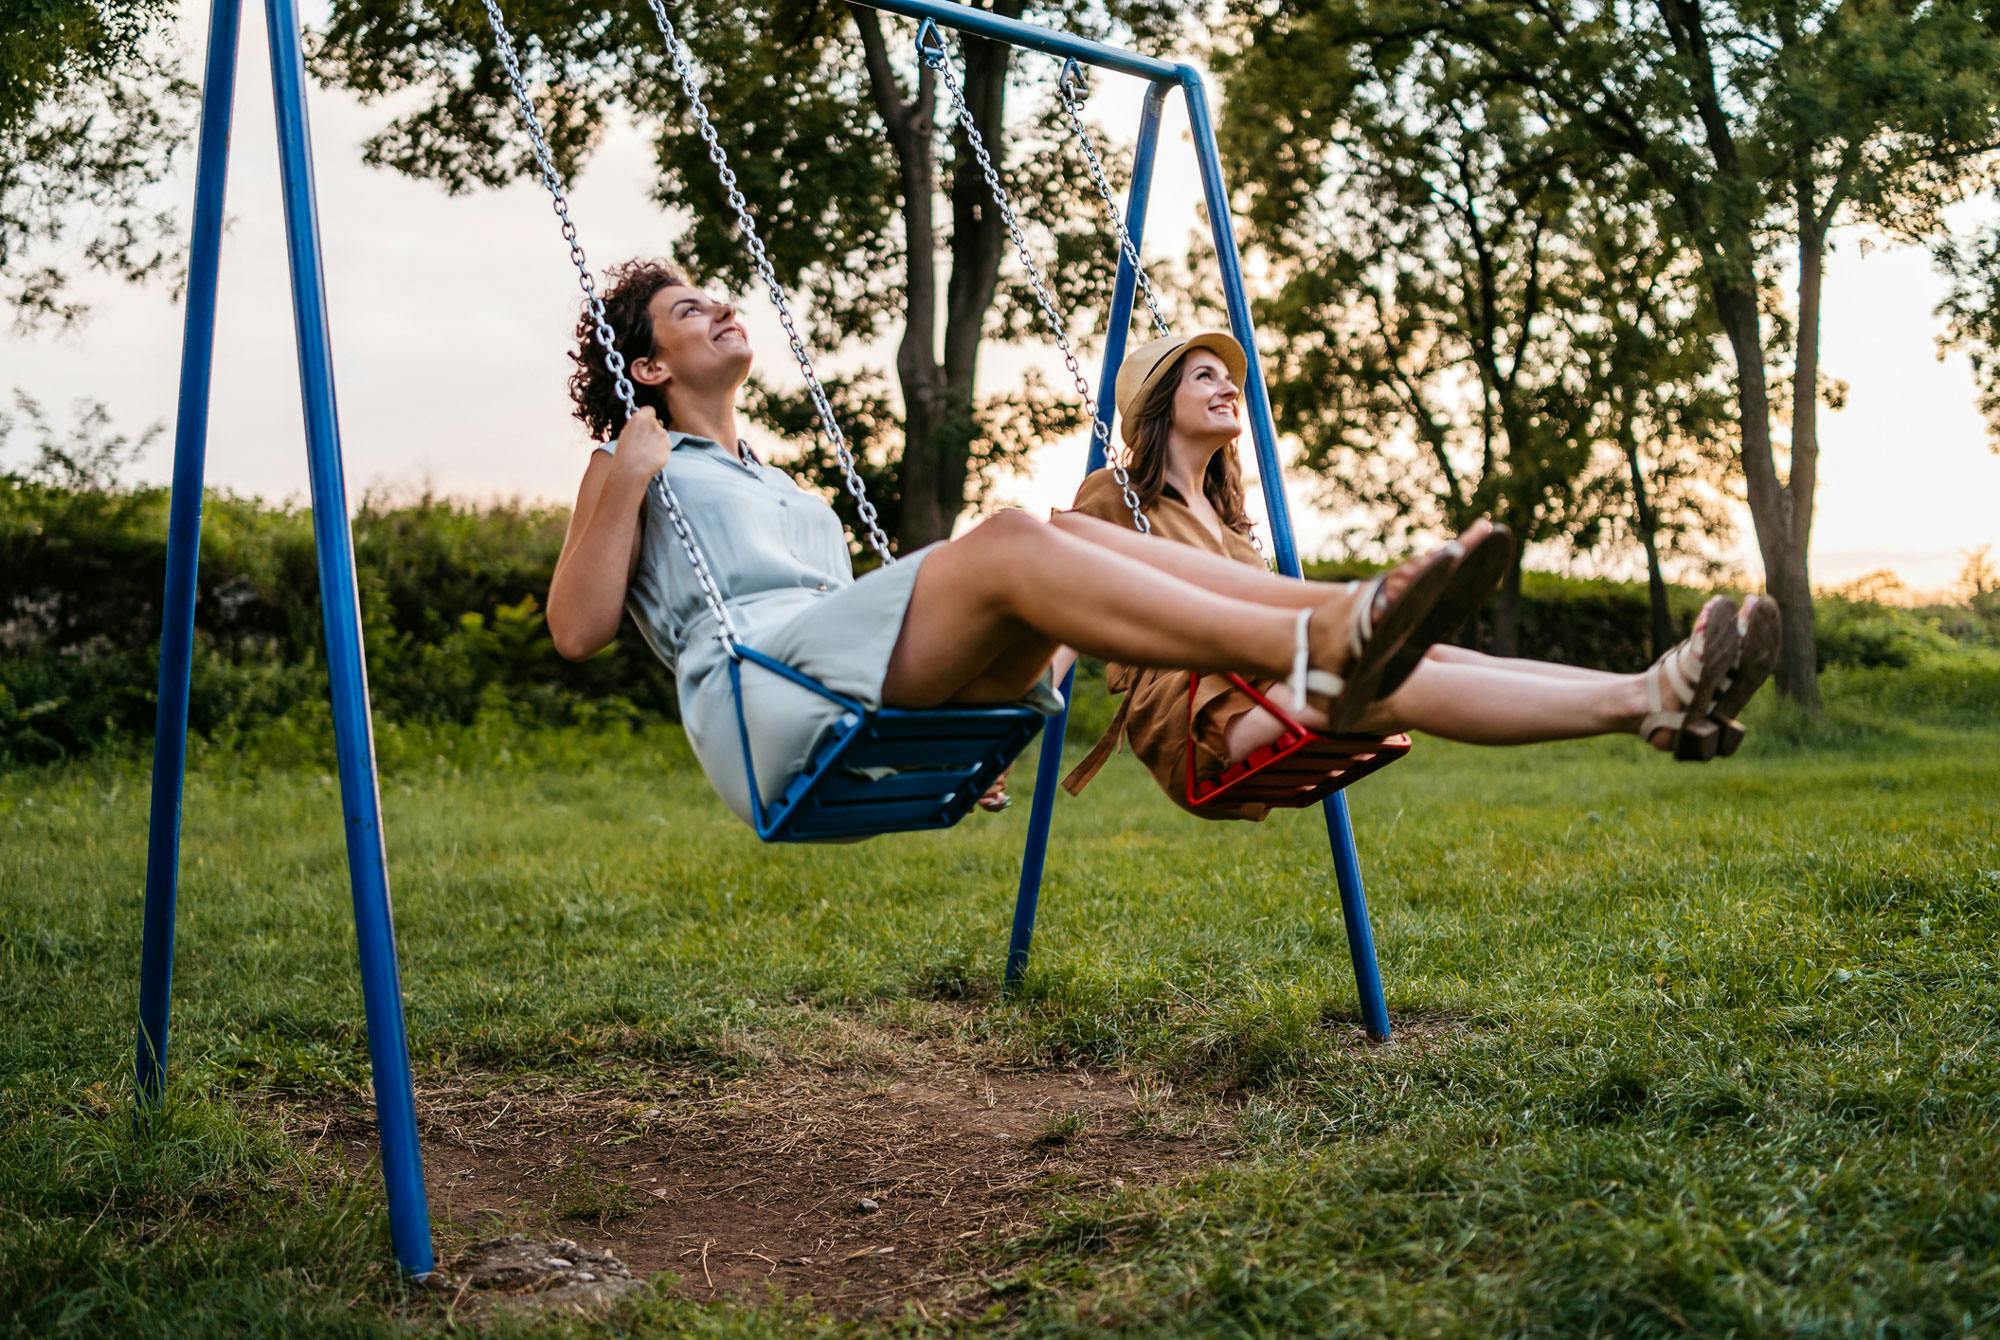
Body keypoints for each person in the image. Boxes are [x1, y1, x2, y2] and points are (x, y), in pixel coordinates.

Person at [542, 260, 1498, 832]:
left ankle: (1341, 619)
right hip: (762, 697)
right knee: (1016, 540)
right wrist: (628, 469)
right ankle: (1320, 632)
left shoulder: (780, 486)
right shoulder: (630, 463)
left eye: (715, 295)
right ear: (649, 367)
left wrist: (950, 695)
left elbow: (848, 616)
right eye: (686, 310)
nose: (717, 307)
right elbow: (578, 631)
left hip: (841, 675)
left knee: (1052, 545)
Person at [1055, 331, 1783, 821]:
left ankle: (1659, 694)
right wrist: (1030, 702)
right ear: (1158, 407)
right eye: (1203, 376)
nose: (1226, 386)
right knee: (1395, 669)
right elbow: (1057, 601)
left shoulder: (1228, 520)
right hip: (1201, 727)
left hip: (1269, 687)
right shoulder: (1115, 497)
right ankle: (1652, 697)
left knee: (1423, 656)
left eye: (1227, 377)